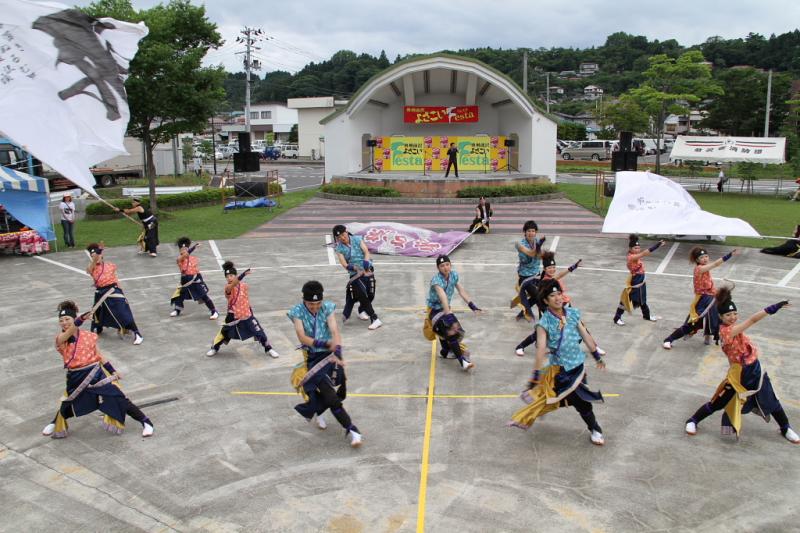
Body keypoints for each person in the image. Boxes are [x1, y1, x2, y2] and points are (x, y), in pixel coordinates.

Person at [683, 287, 798, 444]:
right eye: (728, 315)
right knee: (718, 402)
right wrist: (772, 308)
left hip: (755, 370)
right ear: (720, 317)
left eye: (735, 313)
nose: (732, 317)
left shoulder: (733, 329)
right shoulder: (727, 332)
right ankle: (693, 420)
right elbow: (752, 320)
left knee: (771, 400)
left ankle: (786, 428)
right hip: (738, 375)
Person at [507, 279, 607, 446]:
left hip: (579, 368)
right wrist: (536, 375)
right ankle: (595, 429)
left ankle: (593, 428)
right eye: (552, 295)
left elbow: (585, 335)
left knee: (574, 401)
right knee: (581, 402)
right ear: (545, 300)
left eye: (559, 294)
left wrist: (596, 355)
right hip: (562, 371)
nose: (558, 298)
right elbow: (540, 350)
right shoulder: (543, 323)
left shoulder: (573, 314)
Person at [42, 301, 154, 439]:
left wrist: (112, 371)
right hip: (75, 377)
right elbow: (71, 330)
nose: (64, 322)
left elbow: (99, 355)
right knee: (68, 403)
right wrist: (80, 319)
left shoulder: (89, 336)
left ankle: (145, 422)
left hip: (96, 374)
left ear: (73, 318)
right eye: (61, 320)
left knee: (119, 397)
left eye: (67, 319)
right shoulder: (61, 339)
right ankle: (55, 422)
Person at [288, 280, 363, 447]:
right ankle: (352, 430)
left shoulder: (327, 307)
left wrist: (336, 351)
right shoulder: (297, 312)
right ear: (304, 300)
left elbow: (334, 330)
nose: (315, 307)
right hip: (314, 358)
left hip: (332, 353)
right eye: (310, 304)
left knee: (340, 391)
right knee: (331, 397)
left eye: (317, 303)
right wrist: (324, 344)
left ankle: (319, 410)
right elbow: (302, 337)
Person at [662, 246, 739, 350]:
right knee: (693, 323)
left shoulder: (704, 268)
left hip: (711, 297)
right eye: (702, 257)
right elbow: (716, 264)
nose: (705, 259)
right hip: (703, 299)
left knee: (719, 319)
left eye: (706, 256)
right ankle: (668, 339)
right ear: (697, 260)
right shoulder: (700, 268)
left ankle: (721, 339)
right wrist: (729, 255)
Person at [514, 252, 588, 356]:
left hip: (561, 308)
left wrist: (573, 267)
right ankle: (520, 346)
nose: (552, 269)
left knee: (572, 326)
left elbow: (559, 276)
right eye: (549, 267)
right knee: (543, 331)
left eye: (553, 267)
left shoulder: (550, 278)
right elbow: (558, 276)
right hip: (551, 310)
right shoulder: (546, 280)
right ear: (545, 269)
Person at [206, 261, 280, 358]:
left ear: (235, 275)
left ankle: (269, 348)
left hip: (246, 314)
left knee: (259, 331)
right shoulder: (228, 287)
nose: (229, 278)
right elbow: (233, 285)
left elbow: (246, 299)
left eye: (231, 275)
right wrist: (243, 274)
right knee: (224, 333)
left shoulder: (244, 286)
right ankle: (214, 348)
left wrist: (250, 312)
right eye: (227, 276)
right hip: (233, 316)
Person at [423, 254, 481, 371]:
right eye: (442, 266)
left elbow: (461, 290)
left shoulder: (453, 275)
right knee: (451, 331)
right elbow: (442, 296)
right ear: (438, 268)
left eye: (447, 264)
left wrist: (472, 305)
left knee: (449, 333)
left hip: (446, 308)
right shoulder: (436, 280)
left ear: (450, 265)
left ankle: (445, 351)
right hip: (434, 311)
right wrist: (448, 314)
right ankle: (463, 362)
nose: (445, 267)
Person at [85, 243, 143, 345]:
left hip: (113, 291)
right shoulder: (91, 268)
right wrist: (96, 255)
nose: (95, 258)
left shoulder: (111, 265)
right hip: (100, 293)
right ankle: (98, 328)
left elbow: (116, 280)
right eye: (92, 256)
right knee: (98, 314)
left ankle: (137, 333)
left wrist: (123, 294)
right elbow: (90, 269)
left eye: (97, 255)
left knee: (123, 312)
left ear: (102, 255)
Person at [332, 225, 382, 330]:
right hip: (355, 274)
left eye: (343, 234)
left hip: (367, 269)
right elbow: (345, 264)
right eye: (339, 237)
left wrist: (366, 263)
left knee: (370, 295)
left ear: (346, 232)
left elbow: (366, 252)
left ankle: (361, 311)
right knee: (363, 295)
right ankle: (375, 319)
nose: (342, 237)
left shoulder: (357, 239)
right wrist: (355, 268)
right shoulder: (339, 248)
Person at [613, 234, 665, 326]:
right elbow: (644, 253)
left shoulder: (635, 255)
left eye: (638, 248)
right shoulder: (631, 257)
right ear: (630, 249)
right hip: (635, 281)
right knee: (627, 299)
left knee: (642, 299)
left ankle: (647, 315)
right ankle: (617, 318)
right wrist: (657, 245)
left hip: (640, 281)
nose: (637, 250)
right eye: (635, 248)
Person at [169, 237, 218, 319]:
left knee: (204, 296)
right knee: (179, 296)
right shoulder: (179, 259)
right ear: (180, 251)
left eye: (185, 249)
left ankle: (214, 311)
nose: (184, 250)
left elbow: (197, 271)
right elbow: (185, 255)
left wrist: (201, 281)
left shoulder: (194, 259)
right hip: (185, 280)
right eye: (182, 249)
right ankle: (177, 310)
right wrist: (194, 247)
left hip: (195, 280)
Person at [510, 220, 546, 321]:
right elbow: (531, 253)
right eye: (528, 231)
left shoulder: (537, 242)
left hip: (536, 276)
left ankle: (522, 313)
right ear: (524, 232)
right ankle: (549, 317)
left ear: (536, 232)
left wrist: (539, 247)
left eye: (533, 231)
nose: (531, 233)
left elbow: (539, 256)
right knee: (538, 297)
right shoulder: (519, 244)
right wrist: (538, 247)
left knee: (539, 296)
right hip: (525, 277)